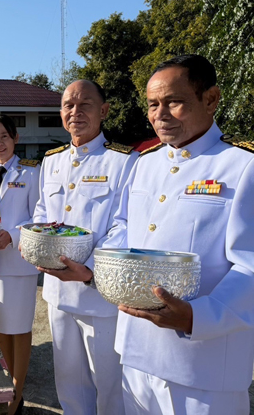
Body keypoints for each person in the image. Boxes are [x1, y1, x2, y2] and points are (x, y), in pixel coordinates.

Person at [62, 55, 254, 414]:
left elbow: (250, 267)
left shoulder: (243, 167)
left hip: (204, 364)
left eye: (174, 102)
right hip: (137, 350)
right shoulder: (145, 163)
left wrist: (196, 317)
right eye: (153, 104)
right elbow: (123, 229)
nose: (160, 114)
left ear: (210, 99)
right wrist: (97, 271)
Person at [30, 80, 138, 415]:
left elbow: (125, 224)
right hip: (58, 293)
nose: (75, 112)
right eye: (68, 105)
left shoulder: (124, 161)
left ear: (103, 110)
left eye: (85, 104)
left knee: (108, 384)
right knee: (69, 383)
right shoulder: (52, 161)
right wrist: (34, 244)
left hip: (99, 293)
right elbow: (42, 213)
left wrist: (88, 267)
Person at [0, 115, 41, 414]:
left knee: (20, 328)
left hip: (18, 262)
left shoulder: (31, 173)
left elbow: (39, 214)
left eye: (3, 136)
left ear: (15, 138)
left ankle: (16, 394)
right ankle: (6, 387)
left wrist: (12, 235)